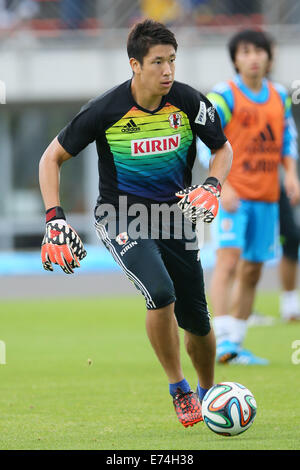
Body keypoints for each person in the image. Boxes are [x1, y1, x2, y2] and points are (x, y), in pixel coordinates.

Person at [39, 19, 232, 427]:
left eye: (172, 61)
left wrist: (213, 185)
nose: (168, 70)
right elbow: (50, 158)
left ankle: (210, 393)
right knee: (160, 292)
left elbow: (223, 148)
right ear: (135, 65)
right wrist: (54, 217)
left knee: (197, 320)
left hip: (177, 219)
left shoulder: (189, 102)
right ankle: (179, 388)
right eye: (158, 62)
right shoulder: (104, 109)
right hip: (121, 217)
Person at [202, 29, 300, 365]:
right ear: (235, 59)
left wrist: (291, 175)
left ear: (269, 57)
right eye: (245, 51)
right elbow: (206, 142)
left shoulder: (279, 95)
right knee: (227, 262)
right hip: (233, 194)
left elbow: (287, 139)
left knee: (254, 269)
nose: (253, 57)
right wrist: (222, 185)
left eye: (259, 51)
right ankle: (222, 339)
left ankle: (236, 345)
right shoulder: (223, 96)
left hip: (267, 196)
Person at [279, 186, 300, 321]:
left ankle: (290, 304)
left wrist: (291, 176)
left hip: (273, 186)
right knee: (240, 249)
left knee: (292, 239)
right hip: (245, 190)